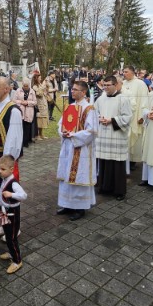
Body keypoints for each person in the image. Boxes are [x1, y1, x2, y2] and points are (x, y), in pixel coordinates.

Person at [0, 76, 23, 238]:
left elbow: (14, 139)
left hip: (4, 162)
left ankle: (14, 228)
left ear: (7, 89)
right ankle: (4, 223)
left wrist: (6, 165)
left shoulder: (13, 110)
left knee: (8, 195)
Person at [56, 80, 97, 221]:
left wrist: (74, 135)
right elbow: (60, 124)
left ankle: (79, 208)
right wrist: (63, 132)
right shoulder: (70, 107)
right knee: (66, 175)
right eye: (72, 89)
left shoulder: (89, 109)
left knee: (79, 175)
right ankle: (67, 204)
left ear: (83, 92)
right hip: (68, 146)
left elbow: (91, 131)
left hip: (81, 149)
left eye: (75, 89)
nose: (72, 91)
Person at [94, 76, 133, 201]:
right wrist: (99, 118)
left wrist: (112, 120)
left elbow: (127, 117)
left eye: (108, 85)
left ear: (115, 85)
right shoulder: (100, 99)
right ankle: (104, 187)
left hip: (116, 135)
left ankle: (119, 191)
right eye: (104, 85)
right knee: (104, 162)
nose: (105, 87)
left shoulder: (123, 99)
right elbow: (95, 113)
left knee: (117, 164)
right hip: (103, 135)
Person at [0, 155, 27, 274]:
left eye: (3, 169)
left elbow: (24, 195)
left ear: (11, 169)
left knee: (11, 237)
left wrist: (12, 195)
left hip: (12, 213)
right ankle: (11, 252)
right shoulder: (5, 179)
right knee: (8, 235)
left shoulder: (13, 183)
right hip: (6, 211)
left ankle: (17, 261)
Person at [121, 66, 149, 169]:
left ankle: (133, 161)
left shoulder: (140, 84)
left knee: (135, 137)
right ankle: (125, 159)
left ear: (133, 72)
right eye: (123, 72)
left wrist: (142, 116)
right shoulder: (122, 83)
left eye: (126, 72)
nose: (124, 73)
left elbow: (144, 100)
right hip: (124, 116)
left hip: (136, 115)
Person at [13, 79, 37, 148]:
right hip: (21, 111)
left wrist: (28, 102)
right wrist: (21, 102)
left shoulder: (32, 91)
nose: (25, 87)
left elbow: (35, 102)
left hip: (29, 111)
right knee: (20, 127)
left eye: (27, 86)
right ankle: (20, 142)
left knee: (27, 127)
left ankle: (26, 142)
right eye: (24, 86)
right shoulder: (18, 90)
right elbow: (14, 100)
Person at [32, 72, 49, 140]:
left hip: (44, 103)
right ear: (36, 78)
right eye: (39, 78)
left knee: (43, 119)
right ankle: (37, 135)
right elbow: (39, 94)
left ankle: (41, 134)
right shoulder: (34, 86)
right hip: (39, 105)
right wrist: (43, 87)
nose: (41, 79)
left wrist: (46, 86)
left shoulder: (40, 84)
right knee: (39, 119)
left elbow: (45, 92)